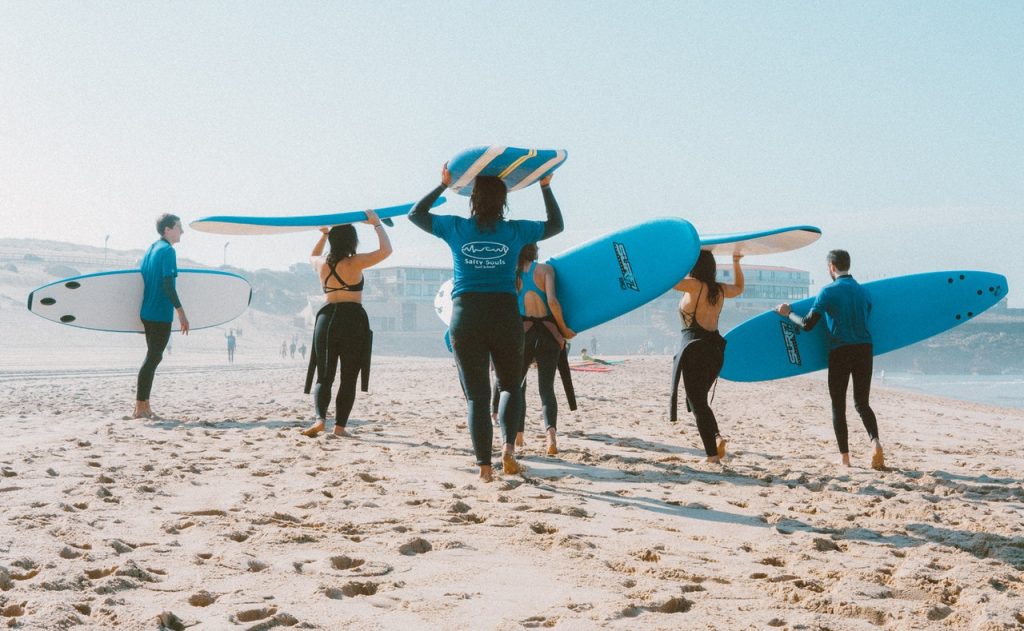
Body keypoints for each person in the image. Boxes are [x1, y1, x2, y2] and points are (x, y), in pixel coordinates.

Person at [410, 164, 563, 482]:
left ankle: (484, 469)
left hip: (466, 315)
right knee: (510, 385)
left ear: (472, 199)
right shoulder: (515, 231)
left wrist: (442, 185)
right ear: (504, 202)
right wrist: (545, 186)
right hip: (505, 314)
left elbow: (415, 214)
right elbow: (556, 225)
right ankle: (508, 451)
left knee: (477, 397)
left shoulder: (455, 228)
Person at [775, 249, 884, 470]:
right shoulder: (864, 292)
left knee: (838, 406)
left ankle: (845, 458)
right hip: (864, 349)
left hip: (841, 350)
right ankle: (876, 443)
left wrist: (788, 314)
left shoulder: (827, 291)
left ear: (832, 267)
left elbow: (807, 324)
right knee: (862, 403)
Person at [301, 211, 392, 438]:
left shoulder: (321, 263)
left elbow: (311, 256)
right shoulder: (356, 262)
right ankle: (340, 428)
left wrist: (323, 235)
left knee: (324, 375)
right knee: (348, 376)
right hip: (352, 319)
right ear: (353, 241)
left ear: (333, 241)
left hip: (326, 318)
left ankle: (320, 419)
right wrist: (377, 225)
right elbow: (386, 251)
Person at [669, 250, 744, 463]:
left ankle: (712, 455)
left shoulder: (694, 285)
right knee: (699, 401)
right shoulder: (718, 289)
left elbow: (671, 281)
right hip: (716, 350)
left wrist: (682, 256)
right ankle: (717, 437)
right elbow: (739, 289)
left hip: (695, 349)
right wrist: (736, 262)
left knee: (697, 402)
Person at [513, 243, 575, 455]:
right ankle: (551, 440)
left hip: (524, 335)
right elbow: (552, 301)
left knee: (518, 385)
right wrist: (564, 329)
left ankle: (518, 437)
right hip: (549, 334)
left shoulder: (513, 274)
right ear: (535, 251)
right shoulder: (546, 270)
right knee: (546, 389)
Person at [133, 213, 189, 419]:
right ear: (168, 229)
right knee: (153, 358)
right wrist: (181, 312)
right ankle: (141, 407)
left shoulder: (151, 250)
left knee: (152, 357)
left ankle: (143, 406)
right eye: (178, 227)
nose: (182, 231)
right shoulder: (168, 251)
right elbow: (167, 284)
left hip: (147, 312)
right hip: (160, 313)